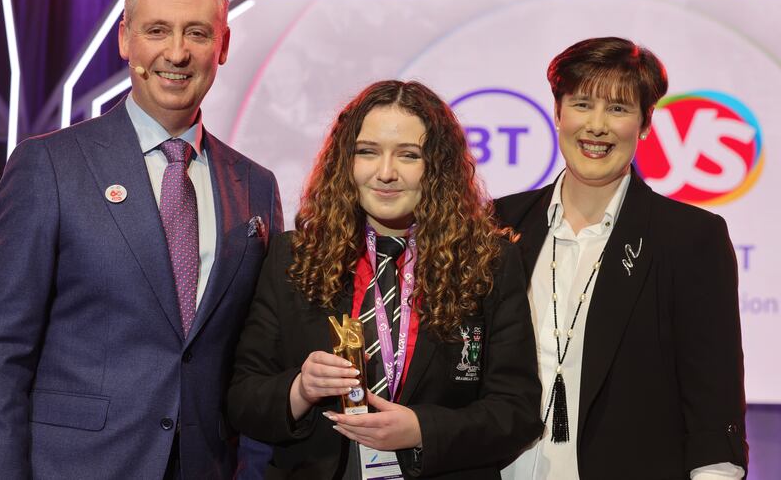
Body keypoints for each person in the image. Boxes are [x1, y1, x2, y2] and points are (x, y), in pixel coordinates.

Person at [0, 0, 282, 479]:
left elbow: (252, 356)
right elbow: (0, 353)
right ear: (125, 39)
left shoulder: (255, 187)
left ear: (224, 45)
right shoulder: (49, 166)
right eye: (157, 30)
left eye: (197, 32)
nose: (177, 52)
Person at [228, 80, 543, 479]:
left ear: (437, 166)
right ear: (346, 160)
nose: (386, 173)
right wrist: (300, 390)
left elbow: (516, 410)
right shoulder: (294, 257)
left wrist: (421, 430)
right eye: (368, 152)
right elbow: (242, 398)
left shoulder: (488, 262)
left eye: (408, 155)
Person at [496, 37, 748, 479]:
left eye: (618, 109)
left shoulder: (689, 238)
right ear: (557, 113)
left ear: (645, 124)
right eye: (582, 104)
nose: (596, 126)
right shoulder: (498, 223)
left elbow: (713, 401)